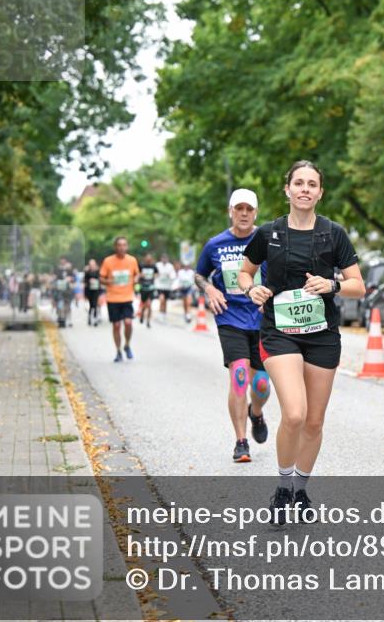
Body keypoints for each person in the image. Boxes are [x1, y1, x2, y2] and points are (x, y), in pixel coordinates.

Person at [240, 161, 364, 524]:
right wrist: (252, 289)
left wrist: (333, 284)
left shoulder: (333, 234)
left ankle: (300, 488)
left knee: (313, 421)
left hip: (322, 335)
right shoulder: (268, 233)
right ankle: (282, 487)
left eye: (312, 184)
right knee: (294, 413)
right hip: (279, 331)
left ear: (320, 192)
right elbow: (245, 272)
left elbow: (358, 285)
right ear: (288, 190)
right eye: (299, 183)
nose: (305, 189)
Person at [195, 189, 273, 464]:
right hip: (230, 318)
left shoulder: (266, 239)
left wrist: (271, 295)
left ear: (255, 213)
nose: (243, 213)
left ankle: (257, 413)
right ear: (230, 211)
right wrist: (209, 290)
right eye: (238, 208)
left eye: (249, 209)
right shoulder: (216, 243)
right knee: (240, 378)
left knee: (261, 386)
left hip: (262, 319)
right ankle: (241, 441)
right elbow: (199, 274)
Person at [99, 237, 141, 362]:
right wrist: (108, 281)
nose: (122, 247)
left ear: (127, 247)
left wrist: (136, 279)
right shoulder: (108, 261)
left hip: (127, 297)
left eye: (124, 245)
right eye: (119, 245)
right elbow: (101, 278)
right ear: (115, 247)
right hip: (112, 298)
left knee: (128, 323)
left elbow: (137, 274)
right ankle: (118, 351)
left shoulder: (132, 260)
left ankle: (127, 345)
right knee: (116, 325)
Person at [137, 253, 157, 327]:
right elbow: (137, 274)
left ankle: (148, 321)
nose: (148, 260)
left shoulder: (153, 266)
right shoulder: (141, 266)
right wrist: (140, 275)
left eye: (150, 258)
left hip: (151, 288)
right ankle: (142, 313)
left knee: (149, 304)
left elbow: (157, 274)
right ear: (145, 259)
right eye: (147, 258)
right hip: (143, 287)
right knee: (144, 303)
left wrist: (154, 276)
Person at [155, 253, 176, 323]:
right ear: (161, 259)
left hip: (167, 287)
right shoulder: (157, 265)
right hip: (159, 286)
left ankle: (164, 314)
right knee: (162, 300)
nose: (164, 260)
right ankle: (160, 314)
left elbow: (173, 275)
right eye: (163, 258)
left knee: (165, 301)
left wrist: (170, 276)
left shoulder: (170, 266)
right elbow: (154, 273)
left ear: (167, 259)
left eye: (165, 258)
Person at [84, 259, 102, 326]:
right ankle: (89, 318)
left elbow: (101, 280)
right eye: (91, 264)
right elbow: (85, 281)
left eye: (93, 264)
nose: (92, 266)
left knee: (95, 305)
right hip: (89, 291)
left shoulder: (98, 272)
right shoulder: (87, 272)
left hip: (96, 291)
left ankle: (95, 319)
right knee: (91, 305)